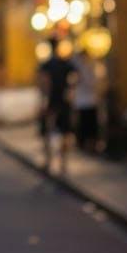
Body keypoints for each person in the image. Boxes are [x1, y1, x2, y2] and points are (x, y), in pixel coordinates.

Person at [38, 39, 76, 174]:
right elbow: (75, 79)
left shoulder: (47, 64)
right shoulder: (67, 64)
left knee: (47, 131)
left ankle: (48, 161)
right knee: (65, 132)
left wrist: (44, 100)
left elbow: (44, 82)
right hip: (64, 102)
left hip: (51, 102)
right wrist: (70, 94)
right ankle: (63, 164)